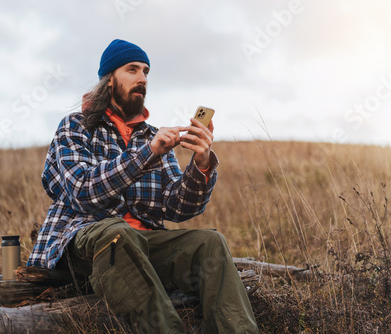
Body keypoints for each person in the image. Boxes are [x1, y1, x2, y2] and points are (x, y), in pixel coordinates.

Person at [27, 39, 258, 334]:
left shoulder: (151, 137)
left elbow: (176, 207)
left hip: (143, 249)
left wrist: (201, 163)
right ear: (109, 80)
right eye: (132, 69)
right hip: (85, 249)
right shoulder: (76, 127)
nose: (142, 78)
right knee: (118, 235)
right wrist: (147, 154)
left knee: (209, 242)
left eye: (146, 71)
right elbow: (83, 191)